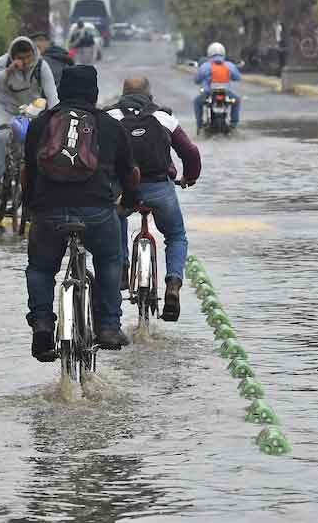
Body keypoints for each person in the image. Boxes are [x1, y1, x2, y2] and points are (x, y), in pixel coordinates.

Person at [23, 65, 139, 358]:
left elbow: (28, 172)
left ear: (61, 91)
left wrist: (31, 207)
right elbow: (130, 173)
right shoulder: (111, 126)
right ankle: (109, 325)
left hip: (48, 212)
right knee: (111, 259)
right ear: (95, 92)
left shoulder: (40, 124)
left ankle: (42, 324)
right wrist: (130, 202)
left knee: (41, 268)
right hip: (97, 212)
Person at [106, 78, 201, 321]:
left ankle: (122, 269)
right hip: (160, 187)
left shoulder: (109, 117)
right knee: (176, 235)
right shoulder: (163, 117)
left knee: (117, 218)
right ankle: (173, 284)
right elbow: (190, 152)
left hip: (123, 189)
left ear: (123, 94)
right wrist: (189, 177)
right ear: (149, 95)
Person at [0, 36, 59, 201]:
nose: (24, 61)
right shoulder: (3, 62)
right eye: (20, 57)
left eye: (27, 57)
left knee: (34, 143)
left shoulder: (41, 66)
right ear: (13, 56)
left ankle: (30, 183)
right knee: (0, 137)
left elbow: (52, 95)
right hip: (3, 108)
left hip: (29, 109)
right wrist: (9, 70)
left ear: (33, 54)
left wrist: (57, 117)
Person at [193, 42, 242, 129]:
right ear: (223, 52)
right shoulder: (229, 65)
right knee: (236, 101)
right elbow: (237, 77)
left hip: (209, 92)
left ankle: (199, 125)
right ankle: (233, 124)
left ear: (209, 53)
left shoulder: (205, 66)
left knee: (197, 102)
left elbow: (197, 80)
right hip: (226, 92)